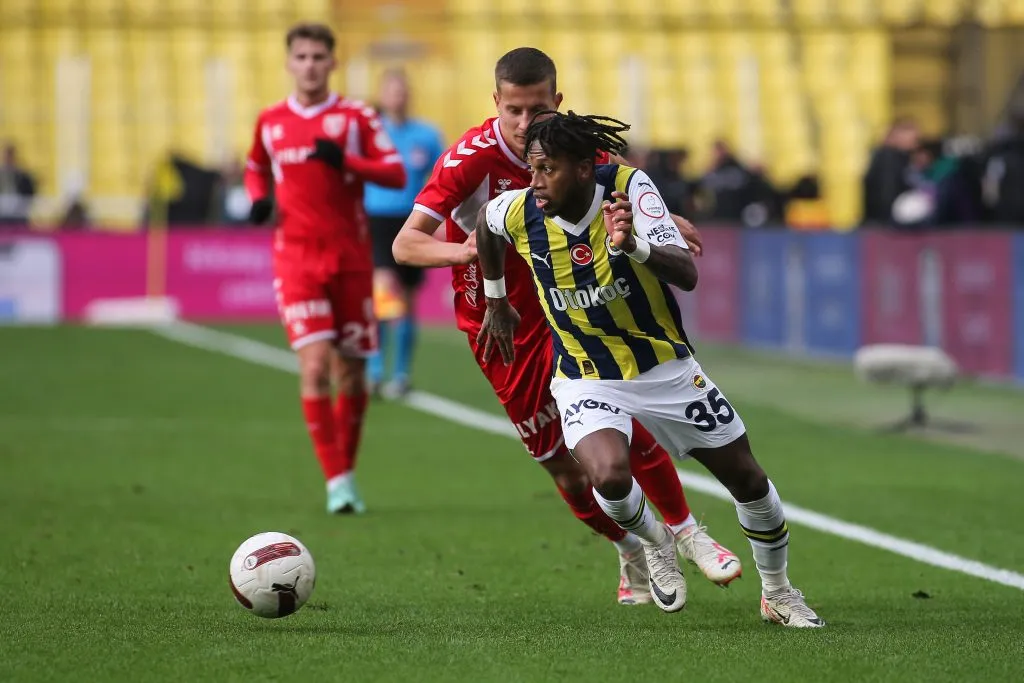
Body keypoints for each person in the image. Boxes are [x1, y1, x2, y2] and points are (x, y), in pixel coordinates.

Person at [393, 47, 740, 606]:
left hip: (577, 304)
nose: (527, 124)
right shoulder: (469, 159)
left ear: (557, 101)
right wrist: (477, 253)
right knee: (563, 464)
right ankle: (633, 546)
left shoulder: (575, 143)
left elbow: (617, 186)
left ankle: (687, 534)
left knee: (626, 426)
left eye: (538, 110)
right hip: (503, 322)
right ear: (496, 105)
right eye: (514, 112)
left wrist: (662, 218)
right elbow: (405, 244)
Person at [474, 109, 825, 626]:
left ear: (578, 167)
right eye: (531, 168)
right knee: (609, 476)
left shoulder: (631, 188)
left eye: (545, 168)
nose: (535, 181)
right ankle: (660, 543)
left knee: (749, 481)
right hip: (585, 374)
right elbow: (485, 224)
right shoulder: (520, 209)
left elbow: (686, 273)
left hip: (665, 369)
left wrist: (634, 244)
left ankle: (778, 592)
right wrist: (496, 298)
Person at [244, 23, 406, 515]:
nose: (310, 65)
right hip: (295, 259)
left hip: (351, 261)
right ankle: (337, 481)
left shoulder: (355, 116)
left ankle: (346, 474)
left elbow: (395, 173)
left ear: (332, 63)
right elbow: (255, 167)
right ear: (289, 63)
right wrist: (257, 199)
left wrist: (349, 162)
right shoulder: (270, 121)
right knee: (315, 365)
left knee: (351, 375)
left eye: (318, 56)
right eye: (302, 57)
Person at [364, 69, 446, 398]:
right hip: (379, 218)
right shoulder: (370, 133)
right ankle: (374, 370)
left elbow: (441, 178)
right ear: (382, 95)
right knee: (384, 292)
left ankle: (401, 374)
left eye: (402, 90)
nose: (397, 96)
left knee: (409, 302)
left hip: (412, 219)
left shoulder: (426, 134)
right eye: (391, 90)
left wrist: (439, 221)